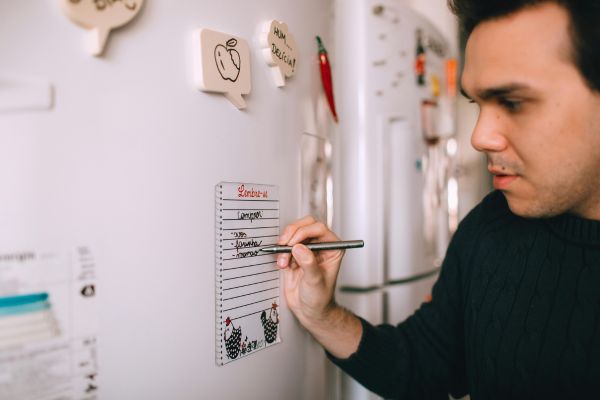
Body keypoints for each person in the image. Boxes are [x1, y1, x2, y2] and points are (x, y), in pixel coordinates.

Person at [275, 1, 600, 398]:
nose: (479, 137)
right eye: (477, 104)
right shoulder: (492, 225)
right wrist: (320, 314)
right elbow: (422, 363)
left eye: (513, 102)